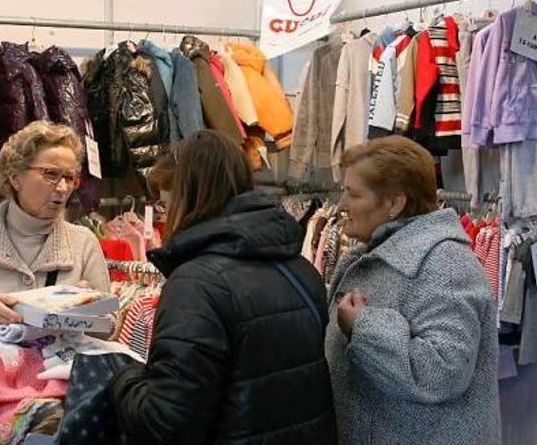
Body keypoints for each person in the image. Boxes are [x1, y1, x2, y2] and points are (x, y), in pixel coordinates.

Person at [110, 130, 337, 444]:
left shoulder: (195, 284)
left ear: (188, 196)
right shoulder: (299, 270)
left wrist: (121, 371)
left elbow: (166, 423)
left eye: (164, 205)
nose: (166, 217)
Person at [326, 136, 500, 445]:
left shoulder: (445, 264)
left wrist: (364, 328)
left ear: (394, 203)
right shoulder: (368, 255)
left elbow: (442, 372)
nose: (341, 205)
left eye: (353, 194)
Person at [0, 121, 110, 347]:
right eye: (51, 174)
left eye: (70, 177)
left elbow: (108, 327)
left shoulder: (83, 242)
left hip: (61, 377)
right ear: (15, 177)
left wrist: (85, 310)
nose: (63, 188)